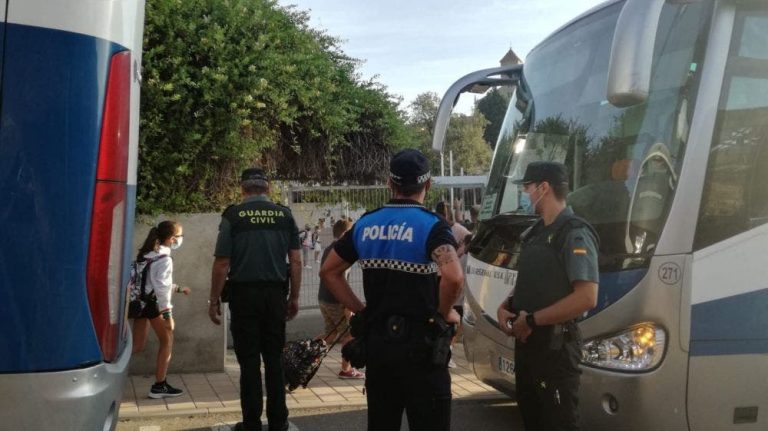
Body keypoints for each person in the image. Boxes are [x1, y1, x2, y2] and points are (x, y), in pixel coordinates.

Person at [320, 148, 464, 431]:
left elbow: (329, 271)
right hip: (423, 349)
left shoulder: (365, 224)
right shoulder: (432, 226)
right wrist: (442, 314)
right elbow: (454, 277)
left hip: (380, 350)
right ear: (428, 185)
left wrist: (362, 311)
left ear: (390, 183)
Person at [495, 161, 599, 431]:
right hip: (530, 348)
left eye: (527, 188)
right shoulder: (536, 232)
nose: (525, 194)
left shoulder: (574, 232)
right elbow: (533, 281)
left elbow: (587, 297)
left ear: (544, 188)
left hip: (556, 352)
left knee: (558, 423)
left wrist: (531, 321)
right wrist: (506, 307)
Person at [207, 168, 302, 431]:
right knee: (273, 357)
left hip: (243, 295)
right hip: (275, 295)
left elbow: (222, 263)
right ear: (268, 189)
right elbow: (295, 260)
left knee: (248, 360)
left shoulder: (233, 216)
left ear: (242, 189)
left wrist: (213, 300)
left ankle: (251, 423)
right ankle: (279, 421)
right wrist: (293, 297)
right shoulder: (285, 215)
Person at [131, 220, 190, 399]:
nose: (181, 239)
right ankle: (159, 386)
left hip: (139, 304)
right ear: (172, 239)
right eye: (180, 236)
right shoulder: (164, 259)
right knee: (167, 341)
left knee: (136, 346)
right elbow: (161, 289)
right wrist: (168, 316)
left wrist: (178, 288)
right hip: (152, 306)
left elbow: (152, 283)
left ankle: (106, 368)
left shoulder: (148, 254)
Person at [317, 219, 364, 379]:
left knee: (330, 335)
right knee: (349, 334)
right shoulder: (343, 251)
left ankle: (306, 350)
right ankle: (346, 369)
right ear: (345, 234)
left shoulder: (329, 248)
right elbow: (340, 279)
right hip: (335, 300)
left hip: (323, 298)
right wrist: (347, 308)